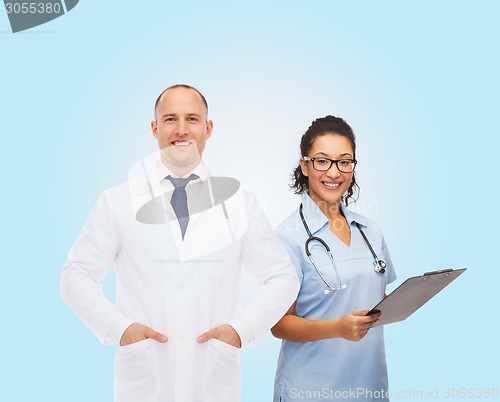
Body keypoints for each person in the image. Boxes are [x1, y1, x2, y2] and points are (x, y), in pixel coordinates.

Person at [60, 84, 299, 402]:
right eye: (171, 119)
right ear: (154, 128)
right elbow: (76, 274)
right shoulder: (117, 202)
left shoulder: (241, 203)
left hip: (214, 379)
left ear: (208, 128)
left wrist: (242, 329)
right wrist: (119, 328)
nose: (182, 130)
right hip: (144, 381)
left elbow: (282, 278)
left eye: (193, 119)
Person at [271, 116, 396, 402]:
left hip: (368, 385)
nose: (334, 172)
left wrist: (410, 298)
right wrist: (337, 328)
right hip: (311, 389)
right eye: (322, 161)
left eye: (344, 161)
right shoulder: (286, 237)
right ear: (305, 166)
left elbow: (375, 295)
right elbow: (278, 324)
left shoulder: (370, 230)